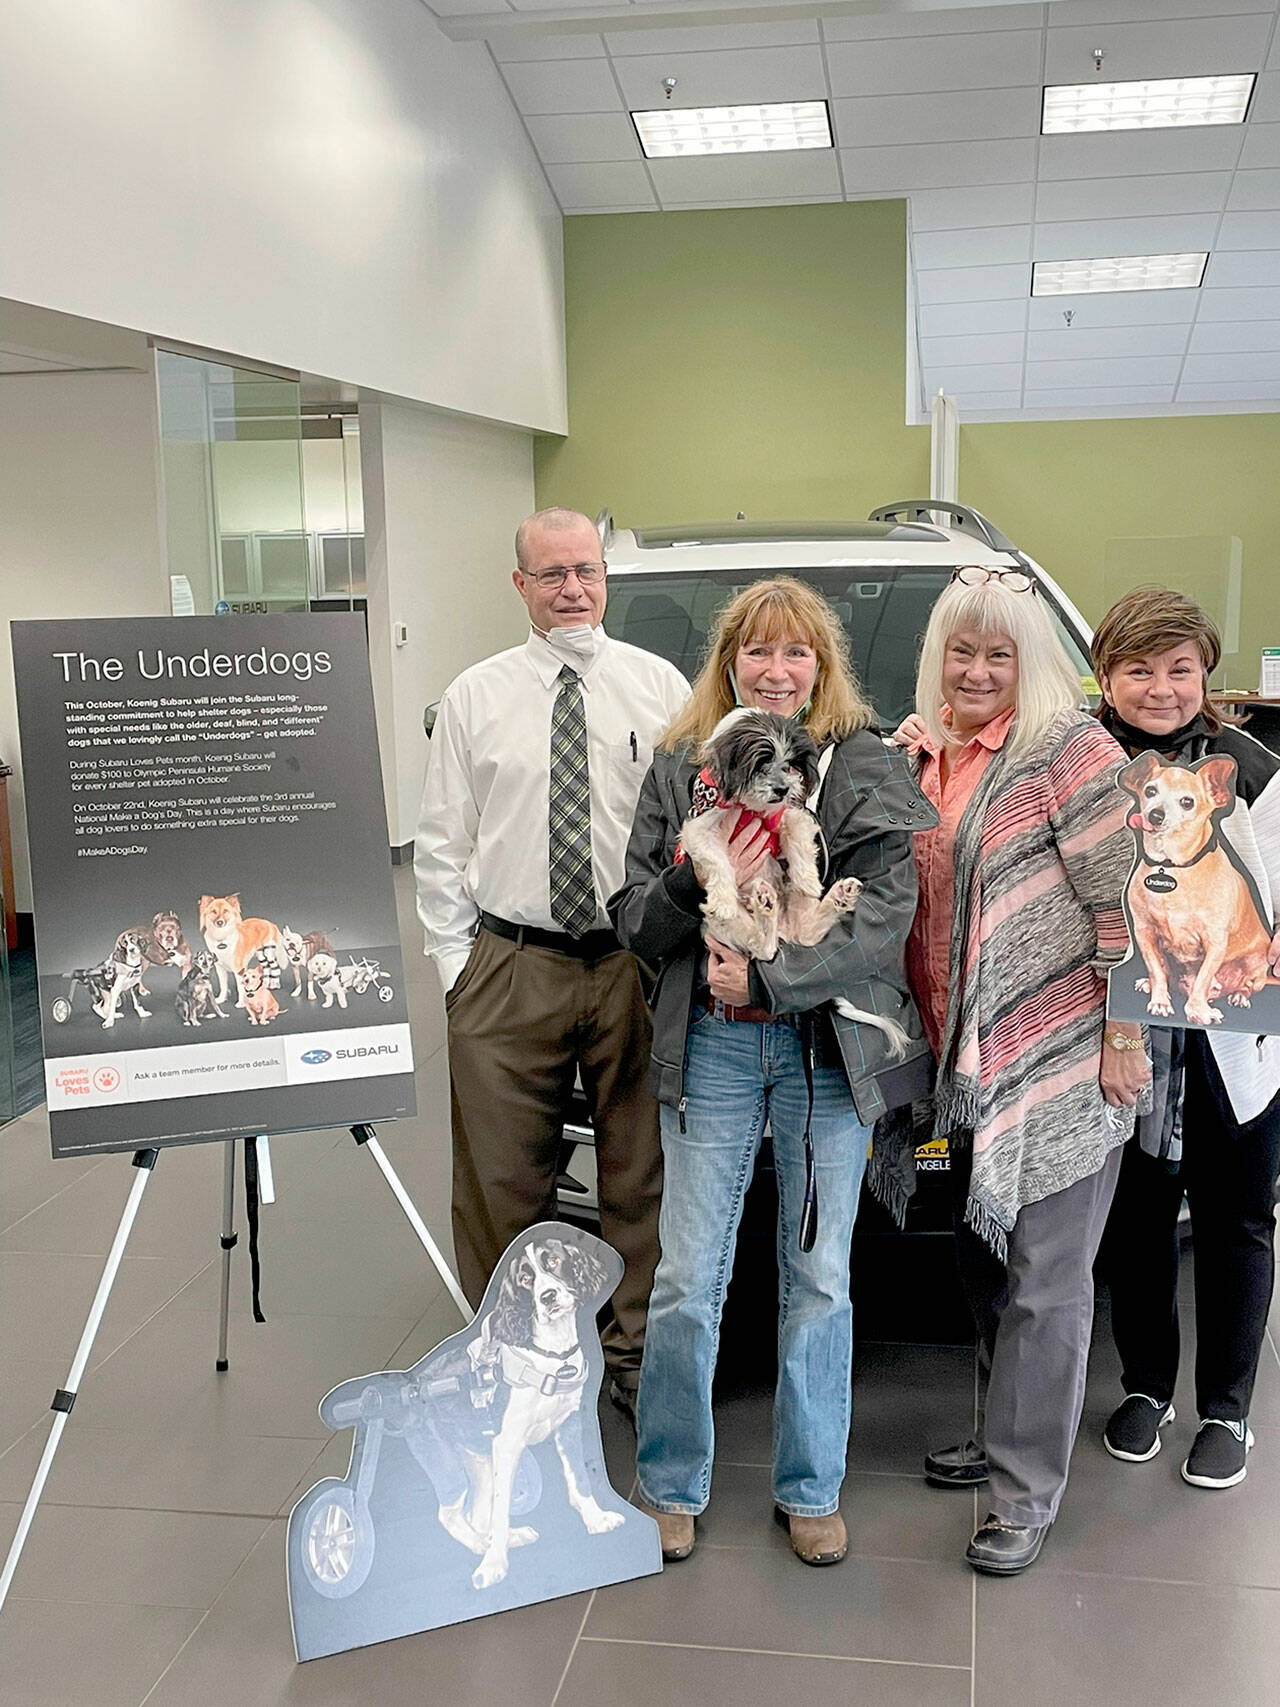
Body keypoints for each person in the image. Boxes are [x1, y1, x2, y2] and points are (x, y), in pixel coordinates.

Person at [609, 577, 936, 1566]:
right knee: (684, 1279)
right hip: (708, 1042)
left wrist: (774, 975)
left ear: (820, 666)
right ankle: (669, 1480)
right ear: (730, 664)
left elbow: (884, 915)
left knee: (818, 1277)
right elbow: (633, 918)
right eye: (758, 651)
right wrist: (685, 870)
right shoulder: (680, 768)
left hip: (824, 1051)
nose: (778, 669)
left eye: (796, 653)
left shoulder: (865, 763)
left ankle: (809, 1485)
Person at [883, 567, 1150, 1576]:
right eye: (962, 649)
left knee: (1045, 1282)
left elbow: (1125, 899)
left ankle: (1021, 1494)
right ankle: (1001, 1436)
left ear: (1030, 659)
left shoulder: (1066, 750)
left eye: (998, 652)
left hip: (1064, 1056)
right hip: (960, 1064)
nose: (978, 668)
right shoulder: (921, 754)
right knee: (983, 1265)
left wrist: (1123, 1041)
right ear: (937, 655)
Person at [414, 506, 689, 1416]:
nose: (574, 588)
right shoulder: (474, 696)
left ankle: (634, 1353)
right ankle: (507, 1359)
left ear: (606, 577)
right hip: (509, 962)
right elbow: (442, 841)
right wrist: (458, 968)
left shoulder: (661, 690)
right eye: (553, 574)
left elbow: (694, 834)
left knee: (640, 1167)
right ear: (521, 585)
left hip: (632, 962)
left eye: (587, 571)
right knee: (501, 1179)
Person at [1092, 586, 1280, 1489]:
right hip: (1122, 1042)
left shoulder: (1256, 769)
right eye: (1139, 668)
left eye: (1179, 668)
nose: (1160, 688)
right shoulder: (1088, 766)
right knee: (1137, 1217)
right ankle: (1145, 1387)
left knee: (1237, 1217)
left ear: (1206, 671)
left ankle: (1228, 1409)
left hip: (1234, 1041)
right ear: (1106, 675)